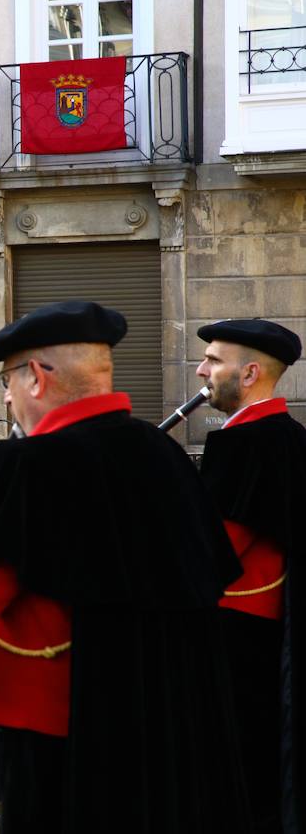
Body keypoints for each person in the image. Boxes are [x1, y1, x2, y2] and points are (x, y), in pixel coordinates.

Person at [0, 300, 247, 834]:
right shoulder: (164, 457)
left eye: (7, 379)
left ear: (37, 378)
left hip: (62, 734)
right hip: (173, 727)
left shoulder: (19, 465)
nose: (6, 394)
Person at [195, 318, 306, 833]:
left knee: (237, 774)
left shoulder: (246, 444)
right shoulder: (286, 436)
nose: (202, 369)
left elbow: (213, 551)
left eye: (215, 360)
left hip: (236, 634)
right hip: (264, 631)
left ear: (251, 373)